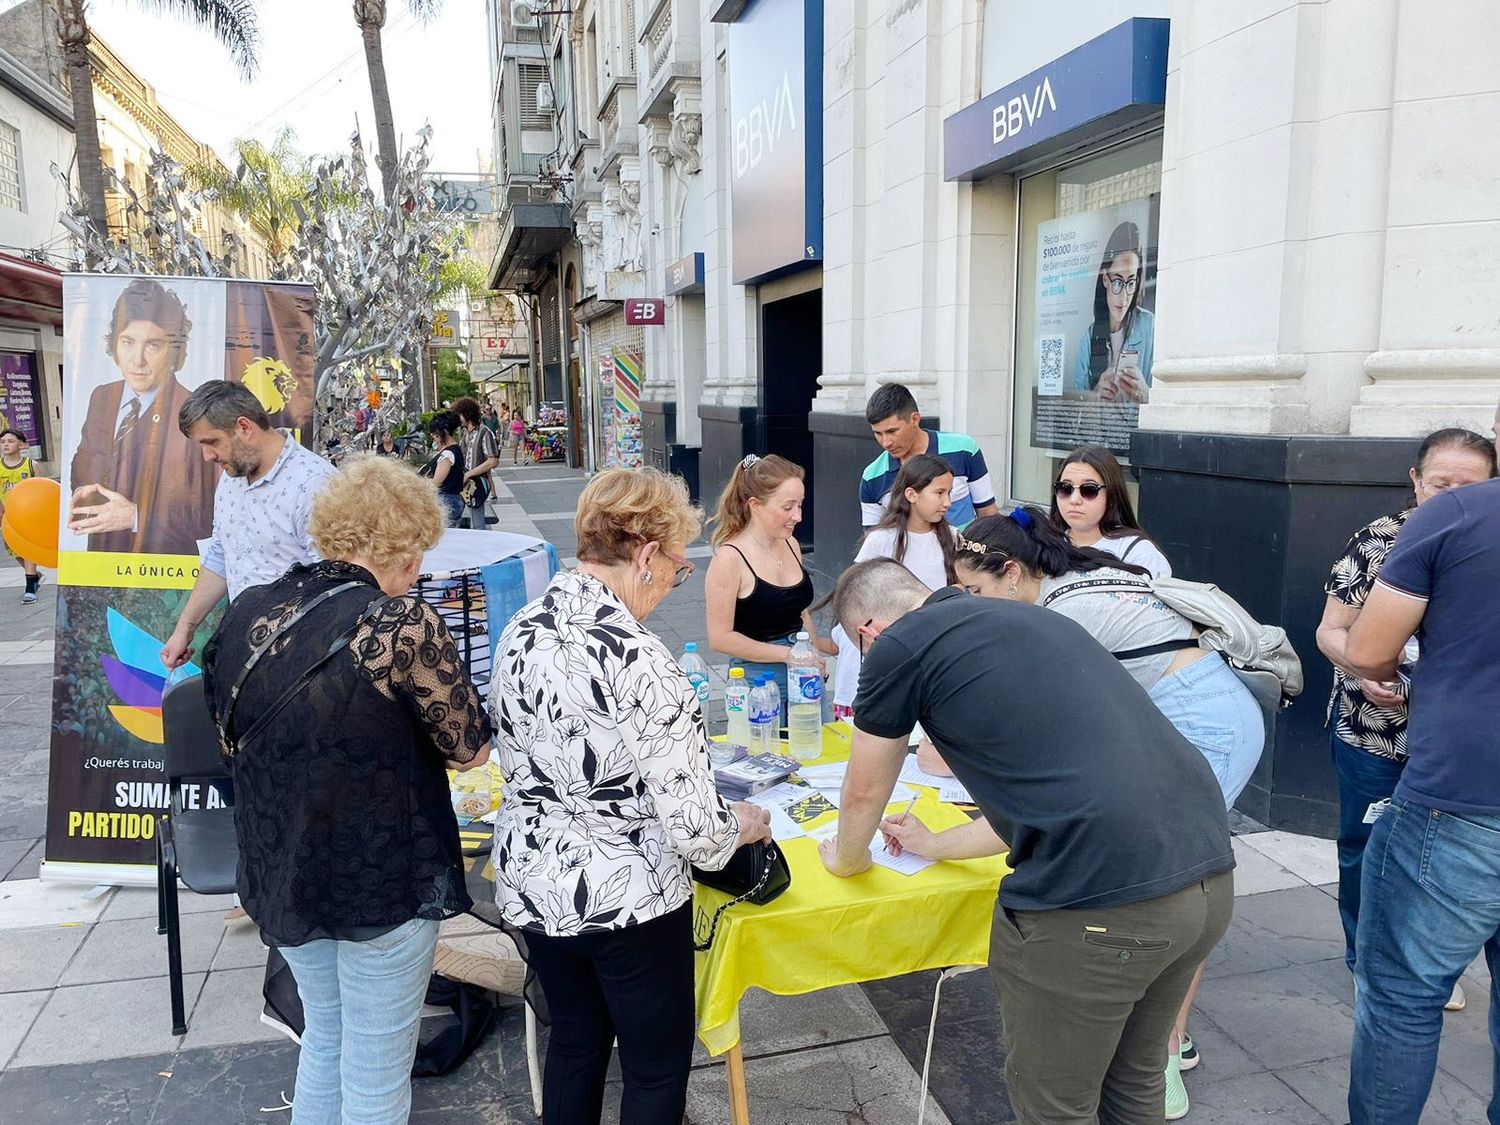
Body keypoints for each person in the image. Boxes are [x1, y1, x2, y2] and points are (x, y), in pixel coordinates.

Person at [823, 558, 1234, 1125]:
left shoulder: (902, 644)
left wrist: (845, 859)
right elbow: (1054, 792)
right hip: (1205, 877)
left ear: (870, 631)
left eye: (859, 650)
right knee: (1134, 1082)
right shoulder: (1032, 620)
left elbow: (864, 791)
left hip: (1101, 903)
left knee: (1054, 1107)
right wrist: (937, 843)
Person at [203, 454, 491, 1125]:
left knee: (325, 1041)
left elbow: (229, 737)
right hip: (380, 879)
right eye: (415, 552)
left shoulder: (249, 611)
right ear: (392, 546)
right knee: (375, 1078)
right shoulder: (401, 624)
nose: (418, 569)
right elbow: (471, 749)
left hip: (285, 868)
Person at [952, 507, 1266, 1119]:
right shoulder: (1073, 584)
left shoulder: (1062, 616)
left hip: (1204, 729)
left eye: (976, 592)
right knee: (1169, 885)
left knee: (1171, 877)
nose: (971, 606)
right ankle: (1148, 1045)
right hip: (1209, 718)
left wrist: (949, 829)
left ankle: (1167, 1049)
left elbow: (1051, 770)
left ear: (1012, 573)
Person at [490, 467, 771, 1124]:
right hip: (629, 897)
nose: (679, 576)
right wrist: (748, 823)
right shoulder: (642, 659)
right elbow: (701, 834)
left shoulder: (523, 627)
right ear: (646, 556)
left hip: (536, 883)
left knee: (577, 1043)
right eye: (678, 565)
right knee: (653, 1067)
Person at [1315, 428, 1495, 1013]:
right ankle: (1364, 957)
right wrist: (1367, 671)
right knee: (1364, 845)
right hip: (1375, 729)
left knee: (1439, 856)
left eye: (1467, 487)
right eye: (1440, 484)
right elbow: (1330, 631)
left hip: (1451, 749)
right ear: (1415, 481)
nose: (1450, 497)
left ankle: (1428, 965)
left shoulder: (1484, 542)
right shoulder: (1379, 541)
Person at [1342, 469, 1500, 1124]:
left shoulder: (1457, 515)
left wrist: (1410, 677)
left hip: (1464, 797)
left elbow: (1369, 649)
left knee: (1403, 999)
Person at [68, 278, 217, 555]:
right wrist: (84, 490)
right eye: (127, 342)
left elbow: (209, 514)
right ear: (115, 345)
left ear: (173, 351)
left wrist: (136, 515)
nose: (137, 360)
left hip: (166, 571)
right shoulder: (101, 397)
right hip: (101, 560)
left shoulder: (197, 410)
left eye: (152, 345)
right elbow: (84, 459)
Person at [705, 454, 836, 723]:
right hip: (757, 681)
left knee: (817, 755)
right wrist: (789, 655)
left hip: (803, 671)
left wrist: (812, 653)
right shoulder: (730, 559)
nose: (797, 516)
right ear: (755, 505)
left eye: (800, 505)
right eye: (787, 507)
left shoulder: (791, 545)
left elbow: (801, 612)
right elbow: (719, 638)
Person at [833, 454, 959, 718]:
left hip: (934, 647)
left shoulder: (953, 537)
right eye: (939, 493)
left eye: (949, 492)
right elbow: (856, 594)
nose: (947, 502)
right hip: (887, 646)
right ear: (911, 494)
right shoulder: (881, 539)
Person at [860, 383, 998, 529]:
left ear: (915, 419)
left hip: (965, 550)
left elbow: (988, 513)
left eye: (892, 431)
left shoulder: (964, 450)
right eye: (878, 433)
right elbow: (873, 540)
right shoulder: (872, 477)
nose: (885, 442)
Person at [1049, 445, 1172, 577]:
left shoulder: (1139, 553)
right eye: (1065, 488)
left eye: (1089, 489)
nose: (1074, 500)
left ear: (1112, 495)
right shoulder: (1044, 544)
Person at [1073, 221, 1154, 403]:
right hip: (1103, 432)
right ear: (1105, 279)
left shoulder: (1151, 327)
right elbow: (1075, 413)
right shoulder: (1088, 339)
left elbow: (1169, 401)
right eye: (1118, 282)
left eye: (1130, 283)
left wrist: (1146, 395)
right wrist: (1095, 395)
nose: (1124, 296)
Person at [0, 429, 41, 603]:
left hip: (28, 514)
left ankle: (30, 586)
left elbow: (41, 490)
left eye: (10, 441)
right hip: (7, 516)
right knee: (14, 550)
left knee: (27, 549)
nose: (6, 444)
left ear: (21, 444)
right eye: (3, 442)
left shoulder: (31, 465)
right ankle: (35, 575)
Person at [452, 395, 499, 531]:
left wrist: (469, 474)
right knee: (458, 522)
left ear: (467, 414)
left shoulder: (484, 432)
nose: (458, 418)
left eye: (459, 414)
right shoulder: (463, 432)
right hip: (462, 485)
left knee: (478, 524)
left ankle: (483, 549)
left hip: (476, 485)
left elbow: (493, 460)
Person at [421, 411, 465, 528]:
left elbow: (437, 481)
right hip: (452, 500)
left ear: (444, 433)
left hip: (446, 501)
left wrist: (419, 483)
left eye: (435, 435)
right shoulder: (454, 449)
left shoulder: (448, 454)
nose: (434, 438)